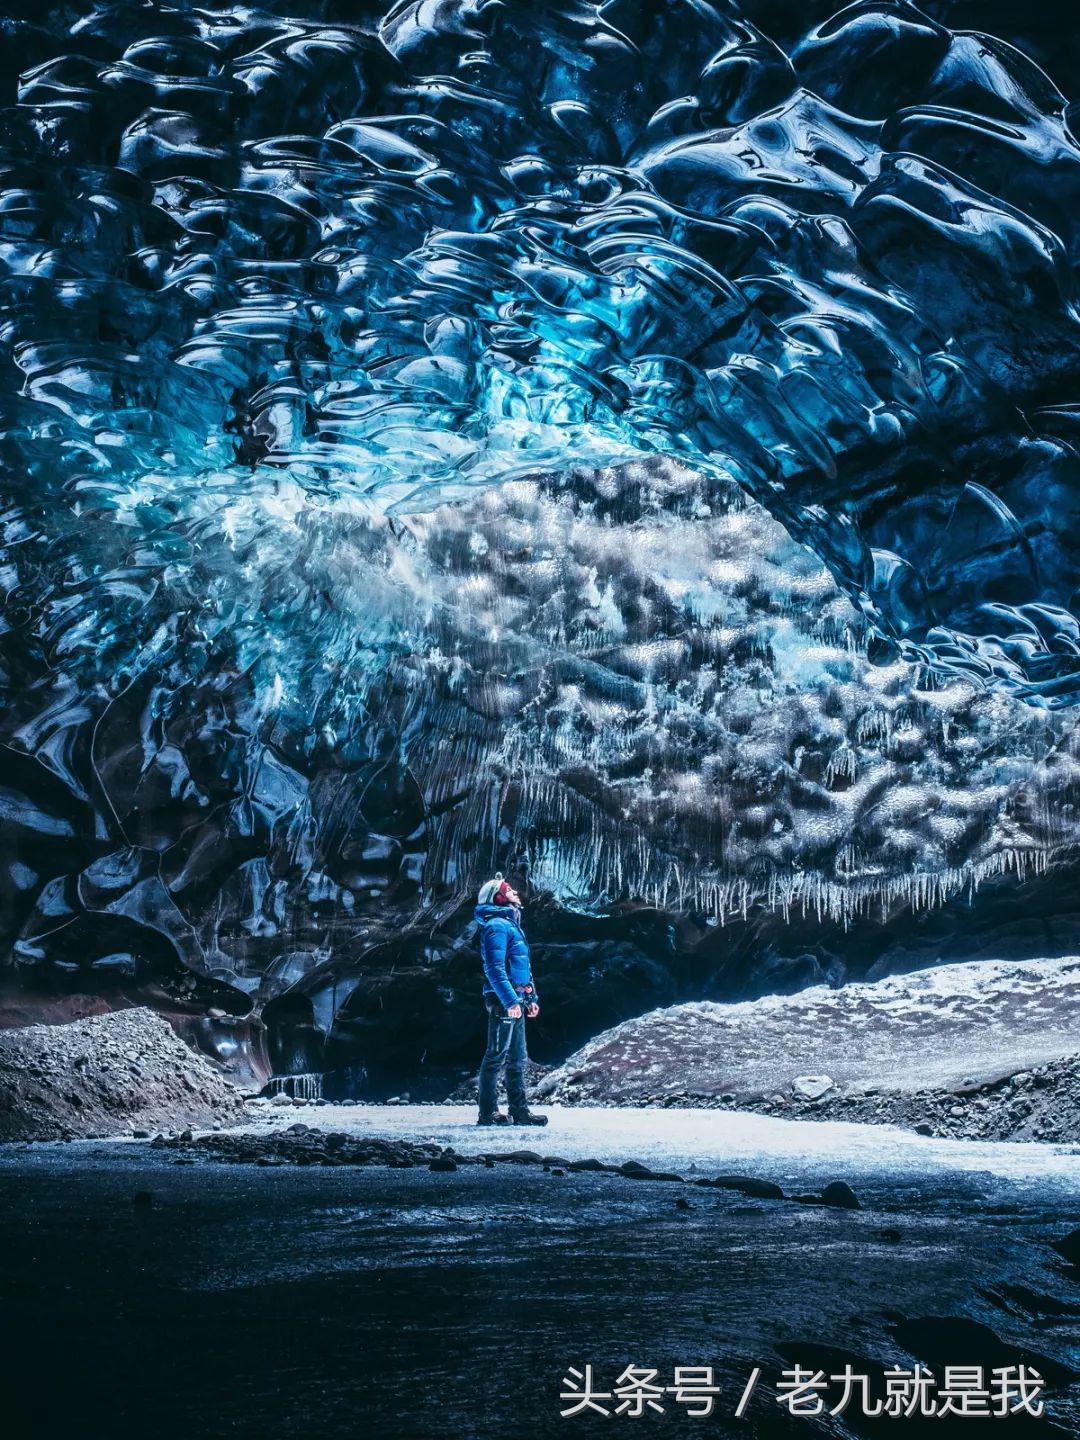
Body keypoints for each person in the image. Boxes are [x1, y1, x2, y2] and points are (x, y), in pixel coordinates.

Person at [475, 873, 548, 1127]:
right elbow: (494, 969)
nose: (515, 891)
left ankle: (520, 1112)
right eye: (509, 889)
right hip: (502, 1000)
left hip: (515, 999)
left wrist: (530, 997)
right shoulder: (495, 926)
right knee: (496, 1056)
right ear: (497, 896)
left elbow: (521, 968)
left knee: (517, 1058)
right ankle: (488, 1113)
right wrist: (509, 1001)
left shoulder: (511, 925)